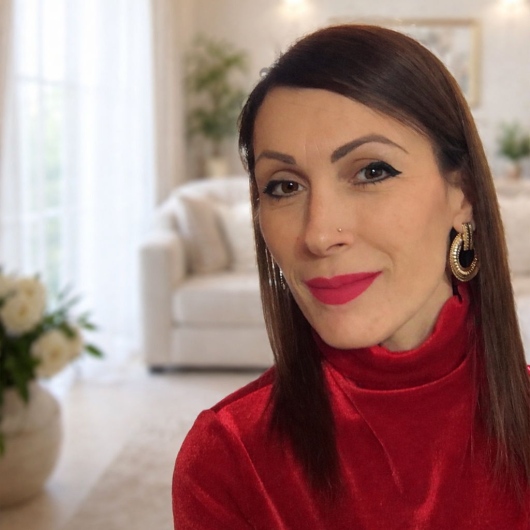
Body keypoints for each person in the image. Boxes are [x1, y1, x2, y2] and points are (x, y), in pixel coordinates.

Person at [172, 25, 530, 528]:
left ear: (463, 192)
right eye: (284, 186)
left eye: (372, 172)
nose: (319, 234)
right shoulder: (227, 459)